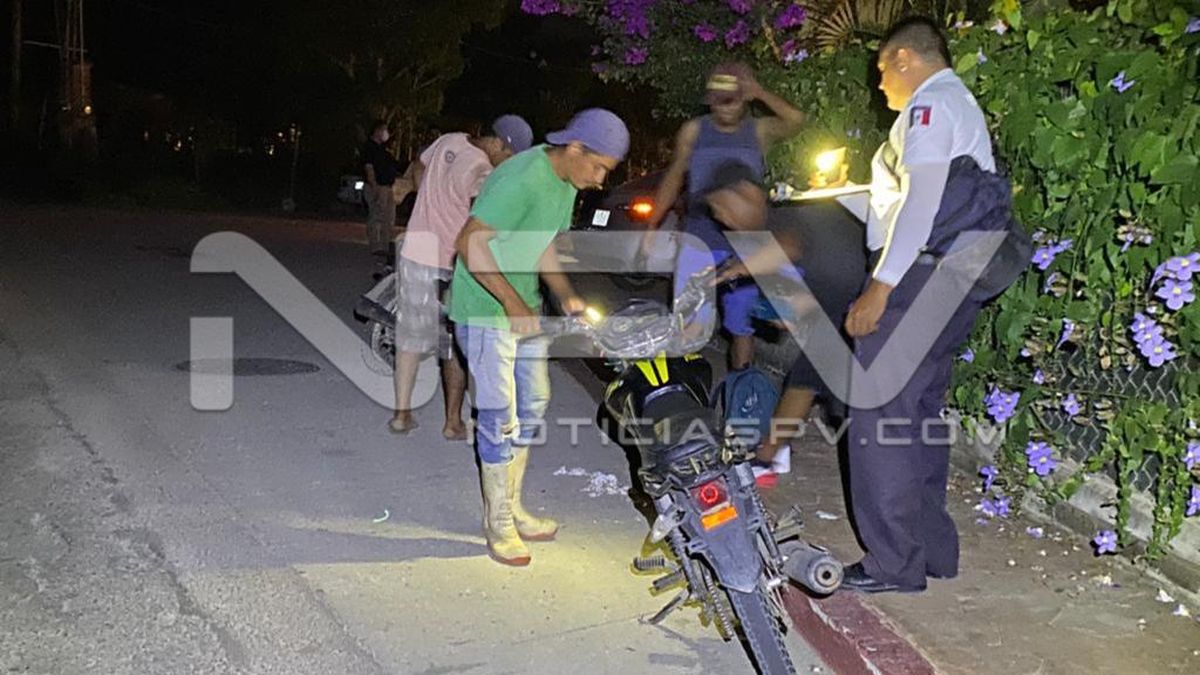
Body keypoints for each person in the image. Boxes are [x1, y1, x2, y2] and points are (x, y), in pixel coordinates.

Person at [839, 17, 997, 594]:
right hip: (950, 276)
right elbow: (909, 201)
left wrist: (880, 286)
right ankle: (930, 550)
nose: (880, 85)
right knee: (919, 416)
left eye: (883, 71)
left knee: (881, 415)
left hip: (918, 277)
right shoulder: (958, 104)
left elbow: (923, 204)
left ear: (905, 59)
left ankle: (892, 562)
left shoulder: (927, 106)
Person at [450, 109, 628, 566]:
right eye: (599, 167)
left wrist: (565, 294)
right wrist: (513, 302)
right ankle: (497, 522)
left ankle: (511, 505)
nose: (601, 180)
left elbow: (543, 242)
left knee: (533, 403)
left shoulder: (566, 183)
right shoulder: (523, 178)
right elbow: (469, 242)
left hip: (523, 307)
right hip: (486, 311)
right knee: (499, 415)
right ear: (575, 148)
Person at [641, 63, 805, 371]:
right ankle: (679, 384)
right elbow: (675, 175)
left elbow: (796, 121)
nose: (725, 107)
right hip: (699, 238)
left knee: (741, 327)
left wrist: (760, 92)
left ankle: (741, 386)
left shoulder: (758, 131)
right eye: (718, 100)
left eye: (732, 100)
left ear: (744, 99)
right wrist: (653, 224)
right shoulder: (693, 131)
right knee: (689, 322)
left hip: (746, 243)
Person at [388, 115, 534, 438]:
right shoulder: (484, 172)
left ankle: (401, 414)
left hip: (417, 250)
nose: (508, 164)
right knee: (454, 344)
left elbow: (419, 166)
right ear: (497, 143)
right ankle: (452, 423)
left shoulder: (450, 139)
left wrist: (423, 195)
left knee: (410, 337)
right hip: (452, 261)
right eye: (509, 156)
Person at [362, 120, 401, 260]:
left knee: (388, 217)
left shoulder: (383, 149)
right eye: (384, 130)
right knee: (377, 215)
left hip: (387, 187)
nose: (386, 133)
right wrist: (374, 186)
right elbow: (369, 168)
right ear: (377, 131)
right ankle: (376, 246)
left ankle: (385, 246)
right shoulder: (369, 147)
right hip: (377, 186)